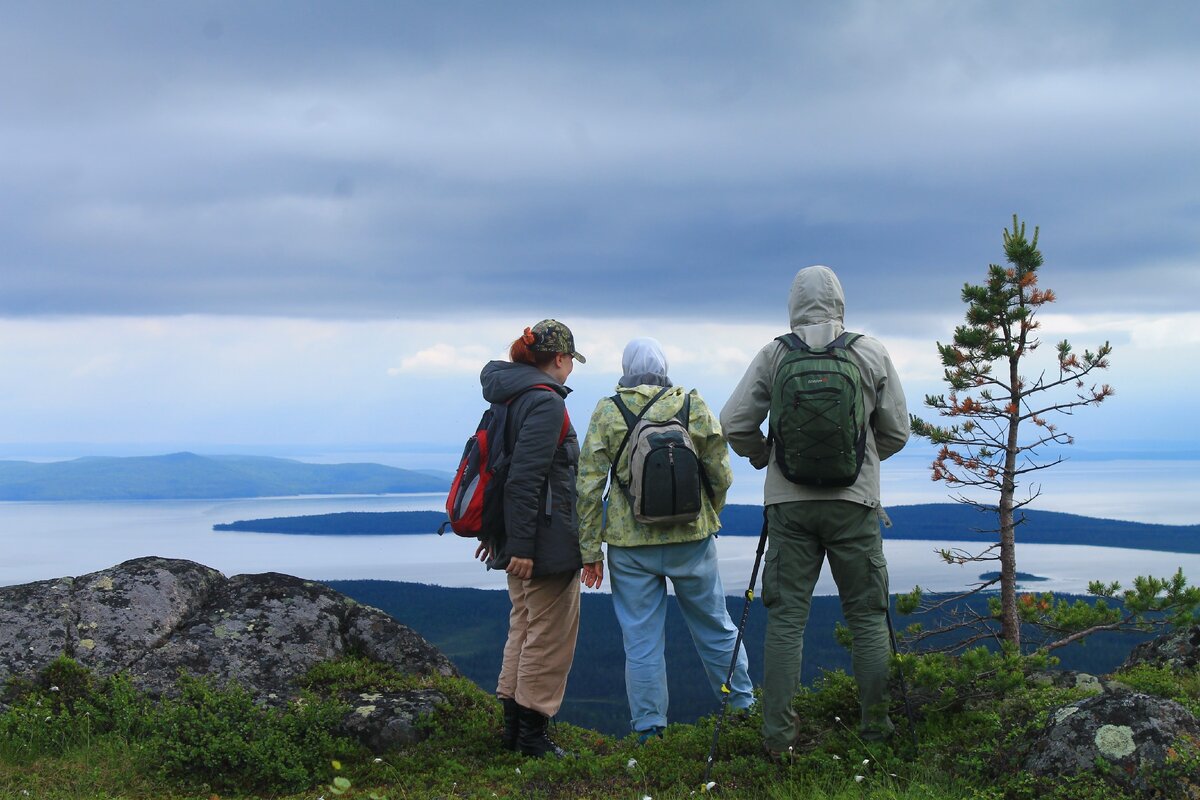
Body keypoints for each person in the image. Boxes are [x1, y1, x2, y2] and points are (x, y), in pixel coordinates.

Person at [719, 265, 909, 759]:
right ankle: (877, 731)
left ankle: (778, 740)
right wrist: (861, 462)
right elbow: (897, 432)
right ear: (840, 302)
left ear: (794, 304)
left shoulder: (775, 353)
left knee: (786, 622)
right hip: (855, 505)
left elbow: (733, 423)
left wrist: (768, 457)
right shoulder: (870, 351)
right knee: (868, 618)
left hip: (789, 506)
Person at [576, 337, 752, 742]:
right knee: (716, 628)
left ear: (626, 368)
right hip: (691, 538)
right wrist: (710, 515)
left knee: (641, 641)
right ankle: (743, 709)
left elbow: (586, 486)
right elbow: (721, 474)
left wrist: (590, 551)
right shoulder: (691, 404)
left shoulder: (608, 410)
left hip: (629, 544)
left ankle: (649, 730)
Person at [477, 319, 586, 758]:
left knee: (523, 628)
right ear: (559, 359)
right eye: (570, 360)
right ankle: (532, 737)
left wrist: (498, 534)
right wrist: (522, 547)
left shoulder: (508, 396)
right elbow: (523, 478)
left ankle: (513, 731)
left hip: (518, 536)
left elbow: (496, 471)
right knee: (547, 636)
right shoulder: (545, 403)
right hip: (543, 541)